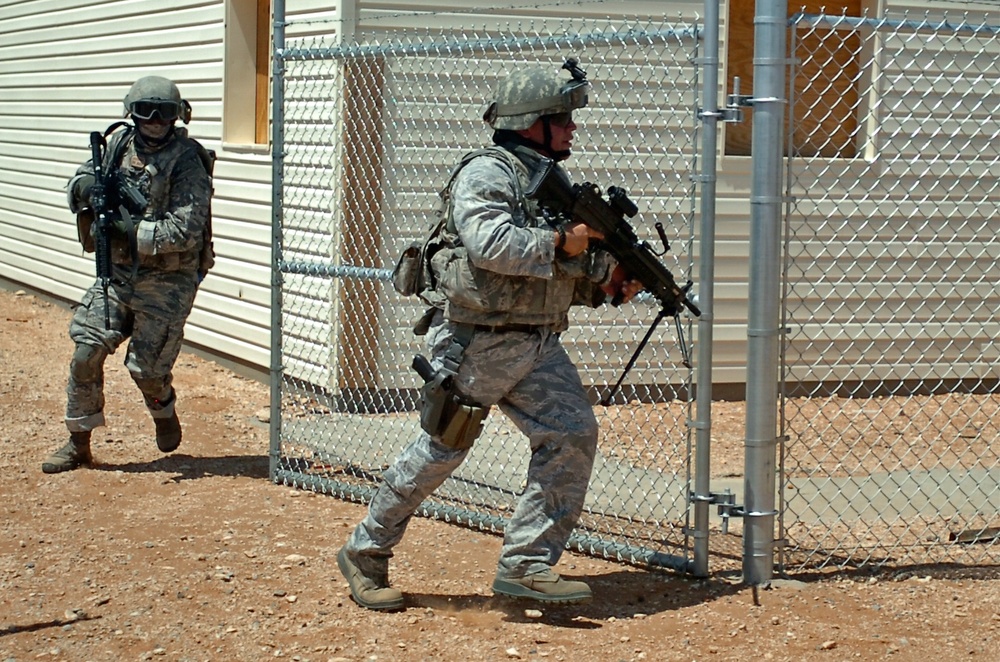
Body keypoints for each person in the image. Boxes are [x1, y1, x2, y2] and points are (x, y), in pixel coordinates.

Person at [337, 60, 643, 610]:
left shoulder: (550, 181)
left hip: (538, 344)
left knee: (571, 436)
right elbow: (491, 246)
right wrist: (561, 243)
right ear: (533, 120)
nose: (573, 129)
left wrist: (606, 282)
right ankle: (366, 551)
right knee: (440, 450)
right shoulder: (488, 173)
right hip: (476, 342)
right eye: (563, 118)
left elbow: (560, 268)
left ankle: (527, 564)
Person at [41, 75, 213, 474]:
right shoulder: (116, 145)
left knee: (147, 370)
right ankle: (77, 443)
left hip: (168, 279)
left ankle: (163, 407)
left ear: (178, 116)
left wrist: (129, 229)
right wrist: (88, 189)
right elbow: (77, 183)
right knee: (86, 352)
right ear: (130, 114)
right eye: (145, 112)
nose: (154, 121)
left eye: (164, 113)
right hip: (118, 273)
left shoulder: (189, 160)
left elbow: (185, 231)